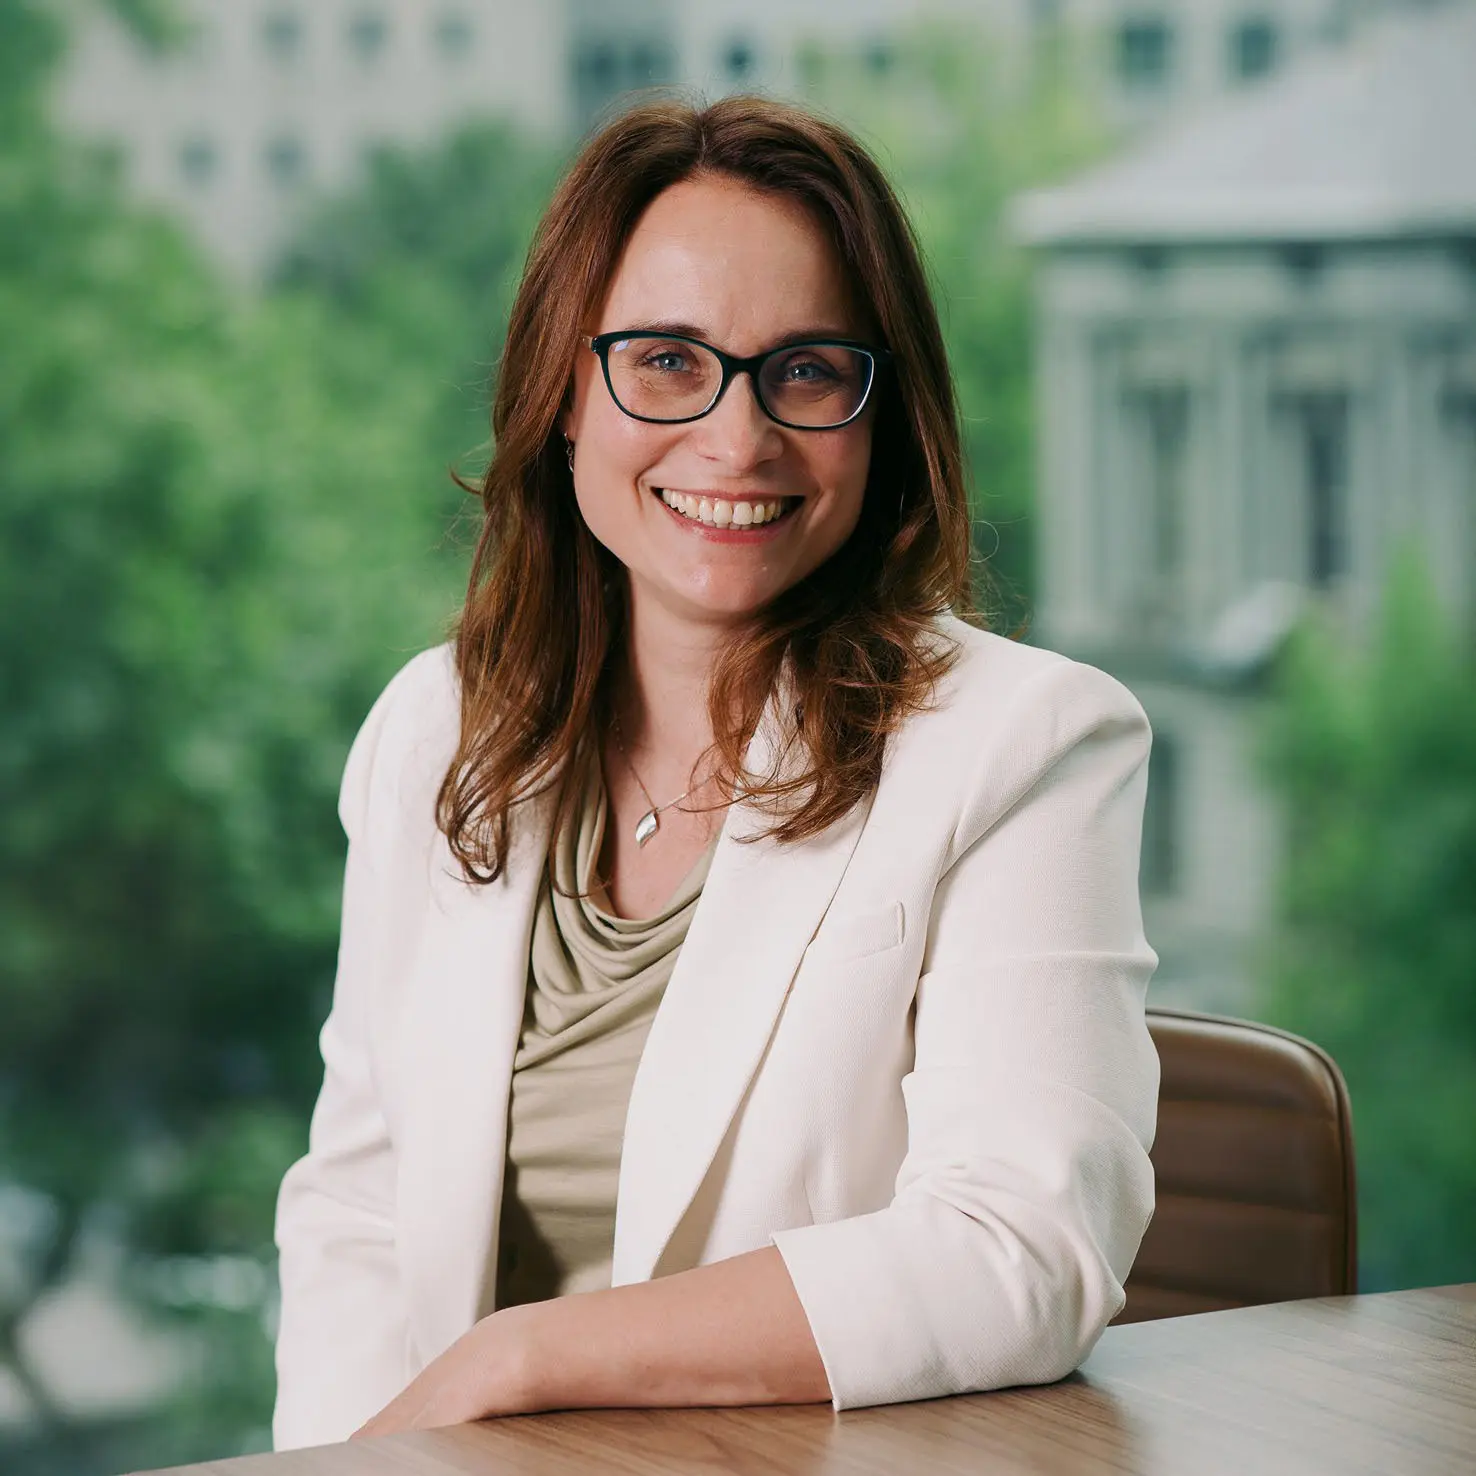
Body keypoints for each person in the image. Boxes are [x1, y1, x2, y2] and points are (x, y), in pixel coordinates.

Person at [271, 95, 1160, 1452]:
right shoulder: (437, 726)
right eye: (668, 362)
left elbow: (1022, 1248)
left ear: (883, 416)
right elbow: (357, 1214)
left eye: (806, 370)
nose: (738, 440)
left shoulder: (1027, 742)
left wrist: (520, 1358)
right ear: (567, 396)